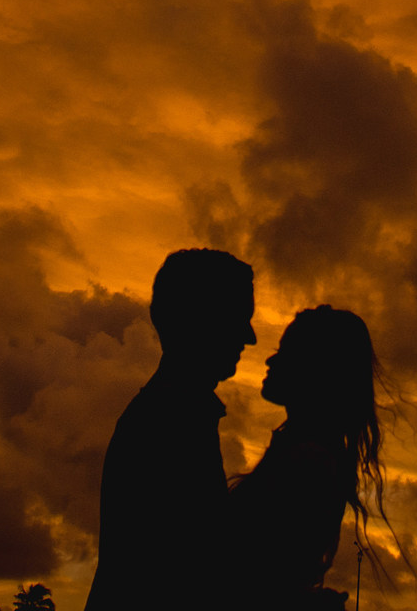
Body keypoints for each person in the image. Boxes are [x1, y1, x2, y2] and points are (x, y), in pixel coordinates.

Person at [85, 249, 256, 611]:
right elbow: (195, 570)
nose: (250, 336)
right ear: (204, 320)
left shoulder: (172, 412)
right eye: (240, 318)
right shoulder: (173, 420)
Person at [227, 305, 401, 610]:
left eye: (285, 353)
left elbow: (265, 579)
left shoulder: (308, 463)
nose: (270, 360)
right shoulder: (310, 454)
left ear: (315, 371)